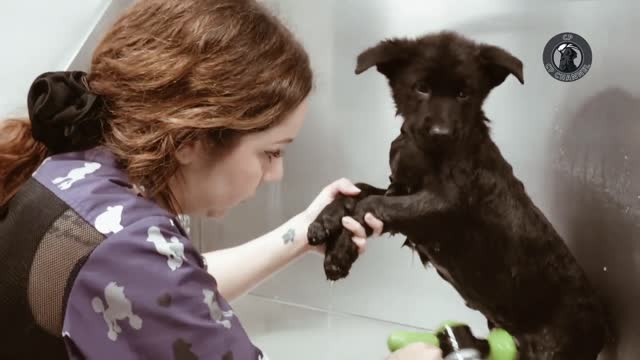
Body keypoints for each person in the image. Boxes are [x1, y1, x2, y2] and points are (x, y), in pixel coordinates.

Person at [0, 0, 442, 359]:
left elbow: (170, 289)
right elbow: (159, 284)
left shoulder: (78, 172)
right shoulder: (128, 250)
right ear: (191, 138)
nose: (276, 174)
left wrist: (302, 234)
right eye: (271, 152)